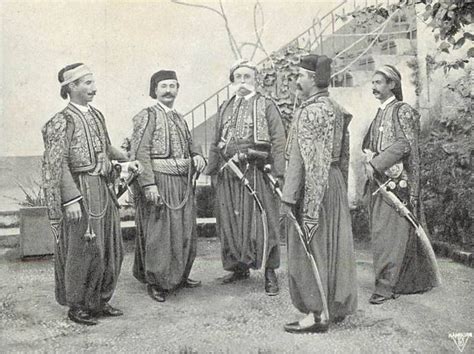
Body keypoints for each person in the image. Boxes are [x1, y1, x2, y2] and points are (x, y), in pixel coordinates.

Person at [41, 63, 142, 325]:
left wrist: (126, 159)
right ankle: (78, 305)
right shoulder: (61, 121)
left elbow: (106, 147)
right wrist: (70, 199)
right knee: (82, 249)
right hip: (80, 192)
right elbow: (57, 162)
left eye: (93, 82)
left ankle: (99, 300)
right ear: (70, 87)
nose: (93, 88)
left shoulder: (97, 115)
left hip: (103, 189)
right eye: (86, 83)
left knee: (109, 245)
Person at [280, 54, 357, 333]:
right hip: (333, 183)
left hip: (312, 188)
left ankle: (316, 313)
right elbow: (345, 154)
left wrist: (289, 197)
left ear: (313, 78)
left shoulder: (309, 111)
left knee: (308, 246)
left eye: (300, 76)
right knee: (333, 245)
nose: (296, 81)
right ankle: (332, 307)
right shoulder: (336, 108)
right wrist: (341, 188)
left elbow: (302, 159)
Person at [205, 59, 286, 296]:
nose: (242, 82)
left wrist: (280, 173)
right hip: (228, 173)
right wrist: (211, 171)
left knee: (263, 223)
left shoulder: (266, 105)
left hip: (256, 170)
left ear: (255, 80)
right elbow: (215, 140)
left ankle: (270, 272)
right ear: (232, 80)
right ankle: (238, 268)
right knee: (230, 223)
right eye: (238, 77)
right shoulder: (225, 106)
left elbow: (279, 141)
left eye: (247, 77)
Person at [362, 64, 440, 305]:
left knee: (391, 235)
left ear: (392, 85)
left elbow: (405, 145)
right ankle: (392, 281)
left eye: (378, 83)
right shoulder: (380, 112)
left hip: (397, 184)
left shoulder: (402, 110)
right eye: (373, 82)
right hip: (380, 183)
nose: (373, 87)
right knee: (381, 233)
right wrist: (368, 155)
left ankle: (386, 286)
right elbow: (370, 142)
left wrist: (376, 163)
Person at [130, 70, 206, 303]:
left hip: (181, 182)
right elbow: (140, 151)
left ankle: (179, 275)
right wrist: (149, 185)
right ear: (154, 90)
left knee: (183, 230)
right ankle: (157, 281)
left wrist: (198, 156)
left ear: (178, 89)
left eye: (172, 86)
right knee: (160, 233)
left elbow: (191, 146)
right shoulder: (147, 116)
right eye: (163, 86)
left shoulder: (180, 118)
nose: (168, 91)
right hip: (159, 181)